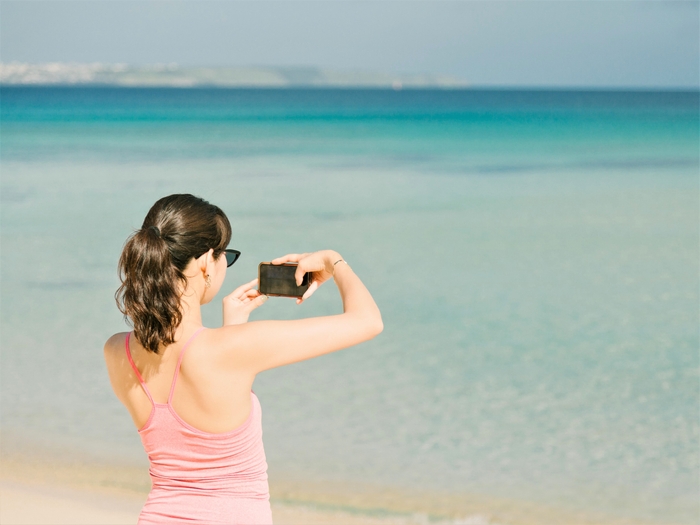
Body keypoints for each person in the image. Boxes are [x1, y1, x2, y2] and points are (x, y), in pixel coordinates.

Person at [103, 194, 383, 525]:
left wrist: (231, 330)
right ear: (207, 260)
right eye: (227, 256)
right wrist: (334, 262)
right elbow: (368, 321)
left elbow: (198, 399)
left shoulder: (117, 351)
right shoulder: (230, 350)